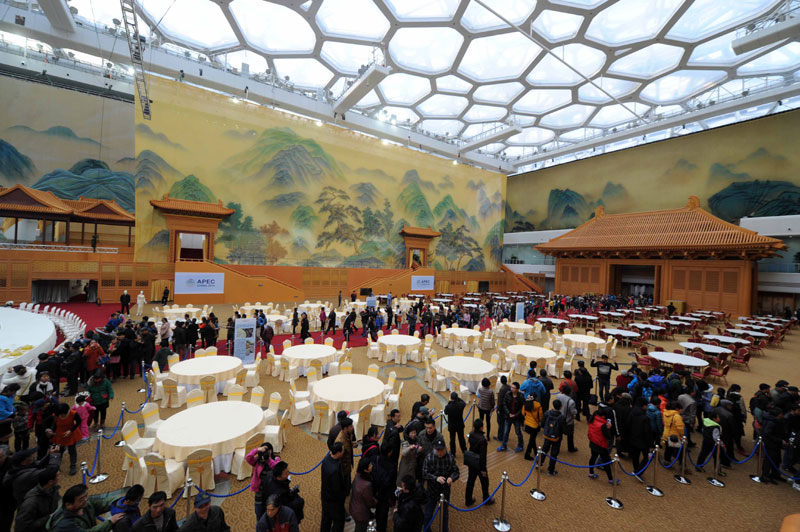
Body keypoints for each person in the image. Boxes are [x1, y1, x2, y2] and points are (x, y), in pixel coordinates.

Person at [45, 483, 123, 530]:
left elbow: (102, 504)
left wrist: (121, 501)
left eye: (86, 496)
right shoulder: (64, 524)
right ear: (68, 504)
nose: (86, 499)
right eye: (81, 499)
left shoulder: (83, 504)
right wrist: (110, 522)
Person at [422, 439, 459, 532]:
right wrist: (435, 478)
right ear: (434, 449)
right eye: (438, 450)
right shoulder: (429, 458)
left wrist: (451, 478)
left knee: (445, 514)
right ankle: (426, 529)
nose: (439, 452)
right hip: (432, 490)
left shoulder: (450, 457)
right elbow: (424, 473)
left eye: (441, 450)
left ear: (445, 449)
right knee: (428, 513)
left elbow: (456, 472)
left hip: (445, 491)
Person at [246, 442, 280, 520]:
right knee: (259, 512)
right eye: (263, 450)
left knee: (272, 512)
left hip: (272, 491)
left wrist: (268, 460)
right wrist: (257, 449)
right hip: (260, 491)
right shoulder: (257, 461)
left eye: (267, 450)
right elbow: (248, 458)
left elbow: (276, 468)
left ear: (271, 451)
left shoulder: (276, 459)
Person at [465, 419, 493, 507]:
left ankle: (468, 499)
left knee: (470, 481)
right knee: (485, 482)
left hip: (471, 462)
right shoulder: (482, 440)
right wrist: (483, 469)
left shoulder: (471, 434)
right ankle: (486, 498)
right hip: (479, 464)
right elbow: (483, 456)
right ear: (481, 427)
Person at [320, 442, 347, 532]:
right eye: (343, 450)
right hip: (334, 501)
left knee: (325, 520)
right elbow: (337, 489)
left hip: (325, 496)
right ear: (338, 453)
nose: (344, 452)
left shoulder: (326, 459)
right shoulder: (335, 469)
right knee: (338, 521)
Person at [49, 403, 82, 475]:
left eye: (64, 414)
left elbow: (79, 422)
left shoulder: (73, 413)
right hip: (60, 434)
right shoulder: (56, 415)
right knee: (59, 450)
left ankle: (73, 466)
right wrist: (51, 431)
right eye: (60, 415)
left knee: (72, 450)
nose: (62, 416)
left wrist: (71, 430)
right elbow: (54, 424)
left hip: (70, 433)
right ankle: (56, 466)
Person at [587, 406, 616, 484]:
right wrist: (609, 428)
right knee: (606, 462)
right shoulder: (603, 425)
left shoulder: (593, 419)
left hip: (593, 442)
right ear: (603, 416)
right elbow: (608, 436)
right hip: (601, 445)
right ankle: (610, 479)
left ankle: (591, 473)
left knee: (593, 457)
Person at [628, 397, 653, 482]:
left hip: (633, 438)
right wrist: (650, 444)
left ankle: (636, 469)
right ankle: (639, 471)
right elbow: (647, 432)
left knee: (635, 456)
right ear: (644, 406)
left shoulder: (632, 412)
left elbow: (628, 424)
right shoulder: (645, 418)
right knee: (647, 457)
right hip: (643, 441)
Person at [350, 459, 377, 532]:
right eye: (370, 465)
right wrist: (377, 502)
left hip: (354, 507)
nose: (372, 466)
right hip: (361, 513)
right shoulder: (366, 485)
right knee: (360, 529)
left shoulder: (357, 476)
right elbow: (370, 501)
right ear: (365, 470)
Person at [540, 399, 566, 476]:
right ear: (560, 407)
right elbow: (563, 429)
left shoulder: (547, 413)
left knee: (544, 450)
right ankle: (550, 470)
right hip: (556, 438)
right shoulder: (561, 417)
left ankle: (539, 463)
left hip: (547, 435)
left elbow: (542, 423)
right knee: (554, 454)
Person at [498, 382, 524, 453]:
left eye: (513, 388)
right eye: (511, 387)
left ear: (517, 389)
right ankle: (503, 445)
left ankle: (520, 445)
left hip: (517, 418)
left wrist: (515, 415)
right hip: (508, 416)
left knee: (518, 432)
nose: (511, 389)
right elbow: (504, 404)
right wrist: (508, 413)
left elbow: (522, 408)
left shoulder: (521, 396)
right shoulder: (507, 394)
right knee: (506, 431)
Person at [554, 387, 578, 453]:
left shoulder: (558, 396)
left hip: (559, 417)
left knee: (558, 434)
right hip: (568, 420)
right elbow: (573, 412)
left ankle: (556, 449)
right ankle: (571, 448)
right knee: (570, 435)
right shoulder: (571, 401)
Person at [661, 400, 685, 466]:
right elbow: (680, 428)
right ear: (677, 408)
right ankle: (682, 465)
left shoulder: (665, 413)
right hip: (675, 437)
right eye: (680, 409)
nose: (681, 410)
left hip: (666, 435)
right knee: (680, 452)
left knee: (668, 450)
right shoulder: (677, 416)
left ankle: (667, 461)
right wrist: (682, 435)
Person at [444, 392, 467, 457]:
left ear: (451, 398)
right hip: (460, 425)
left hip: (452, 426)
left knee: (452, 439)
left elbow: (445, 412)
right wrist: (457, 398)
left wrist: (450, 402)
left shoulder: (448, 406)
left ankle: (453, 452)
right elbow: (464, 402)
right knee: (461, 438)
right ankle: (464, 450)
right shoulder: (461, 405)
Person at [522, 391, 543, 461]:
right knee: (531, 440)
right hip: (534, 425)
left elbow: (523, 413)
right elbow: (540, 417)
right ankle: (527, 454)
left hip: (527, 424)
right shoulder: (538, 405)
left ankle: (535, 450)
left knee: (532, 438)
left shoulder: (526, 403)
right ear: (536, 398)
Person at [495, 376, 510, 442]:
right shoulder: (509, 387)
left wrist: (498, 409)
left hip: (502, 409)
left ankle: (500, 437)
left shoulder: (502, 389)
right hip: (507, 408)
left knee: (500, 423)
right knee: (505, 423)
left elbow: (500, 401)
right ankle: (505, 435)